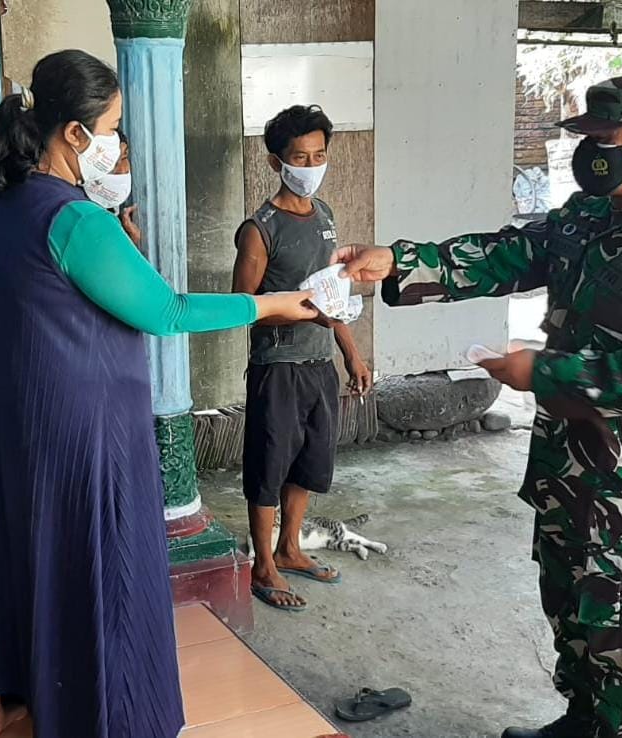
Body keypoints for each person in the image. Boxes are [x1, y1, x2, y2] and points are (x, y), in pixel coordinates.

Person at [333, 76, 622, 738]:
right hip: (571, 457)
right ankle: (583, 719)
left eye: (602, 140)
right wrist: (399, 262)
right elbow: (507, 254)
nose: (588, 153)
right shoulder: (586, 216)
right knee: (569, 597)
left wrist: (542, 372)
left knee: (620, 620)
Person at [0, 49, 317, 738]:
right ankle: (111, 715)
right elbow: (165, 311)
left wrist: (123, 249)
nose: (117, 142)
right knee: (103, 565)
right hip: (82, 427)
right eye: (112, 128)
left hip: (11, 417)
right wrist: (271, 304)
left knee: (13, 550)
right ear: (74, 133)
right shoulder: (73, 218)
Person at [232, 105, 372, 611]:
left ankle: (289, 548)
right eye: (299, 157)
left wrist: (352, 354)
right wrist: (298, 312)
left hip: (319, 365)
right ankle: (263, 565)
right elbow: (243, 307)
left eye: (318, 155)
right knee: (269, 465)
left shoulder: (325, 215)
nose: (311, 165)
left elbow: (333, 296)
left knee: (309, 462)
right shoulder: (260, 228)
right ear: (277, 162)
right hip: (278, 367)